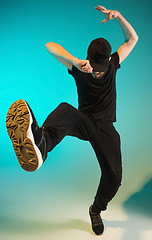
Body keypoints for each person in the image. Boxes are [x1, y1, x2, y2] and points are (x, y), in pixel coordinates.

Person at [6, 5, 138, 236]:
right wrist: (75, 61)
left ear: (108, 61)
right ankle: (40, 143)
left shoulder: (114, 63)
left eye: (100, 69)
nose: (96, 73)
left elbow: (132, 38)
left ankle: (95, 210)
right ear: (88, 60)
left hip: (106, 128)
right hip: (83, 122)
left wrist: (118, 17)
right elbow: (50, 47)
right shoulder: (80, 67)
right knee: (66, 110)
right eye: (93, 68)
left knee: (114, 178)